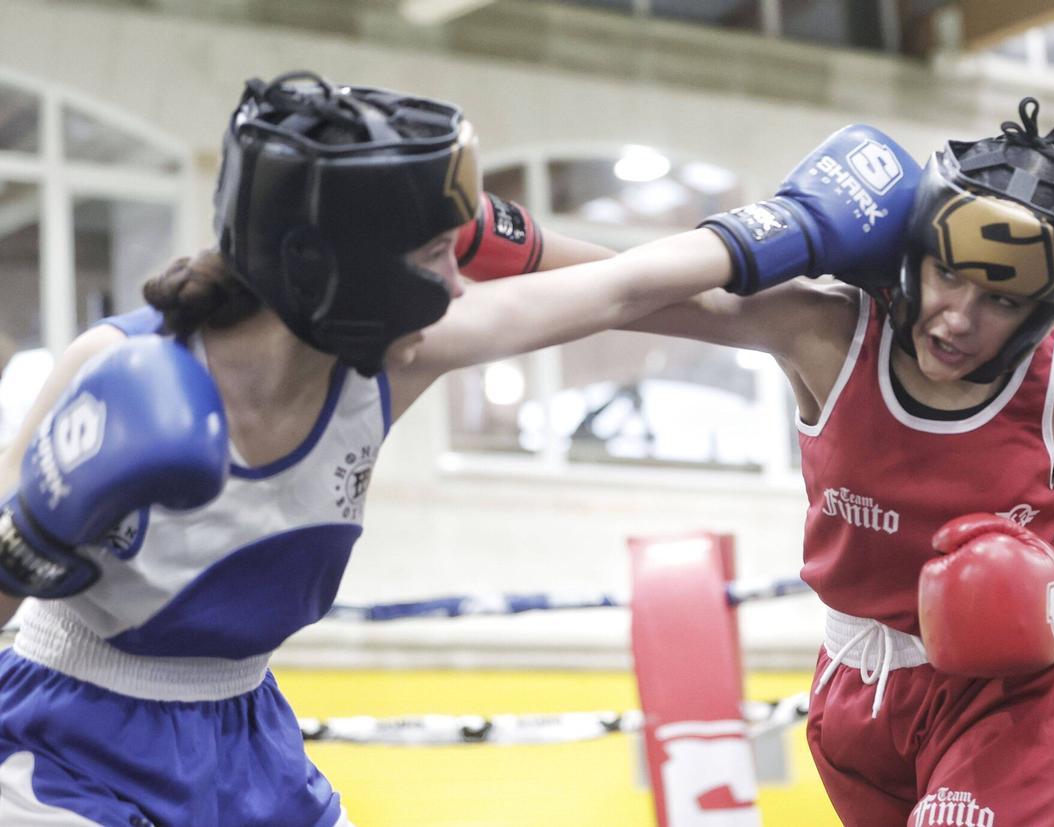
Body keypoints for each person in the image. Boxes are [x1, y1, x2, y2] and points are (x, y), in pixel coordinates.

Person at [0, 71, 916, 825]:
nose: (461, 273)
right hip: (66, 739)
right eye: (439, 254)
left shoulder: (399, 364)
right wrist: (28, 535)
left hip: (244, 738)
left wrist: (788, 229)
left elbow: (618, 290)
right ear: (338, 271)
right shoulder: (115, 368)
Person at [608, 97, 1054, 825]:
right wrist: (494, 246)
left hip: (1010, 692)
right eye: (948, 274)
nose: (958, 316)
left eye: (1000, 298)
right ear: (914, 256)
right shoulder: (827, 332)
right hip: (855, 692)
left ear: (1039, 311)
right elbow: (627, 292)